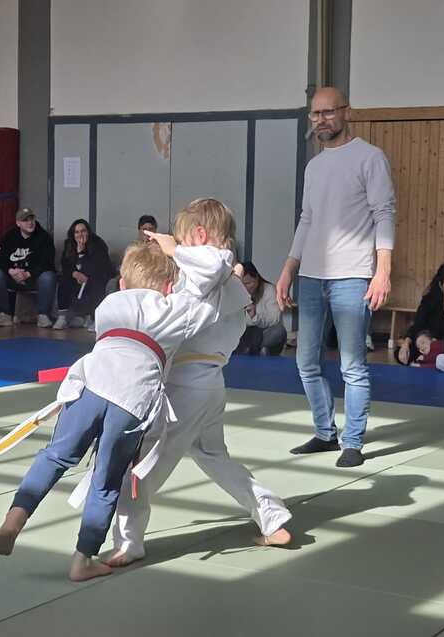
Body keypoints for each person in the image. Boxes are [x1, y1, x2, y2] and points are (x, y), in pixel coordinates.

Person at [0, 230, 248, 581]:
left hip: (89, 384)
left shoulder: (108, 305)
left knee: (55, 456)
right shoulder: (175, 310)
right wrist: (193, 256)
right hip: (132, 398)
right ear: (170, 287)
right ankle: (82, 560)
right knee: (106, 480)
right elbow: (214, 281)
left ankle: (13, 520)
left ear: (123, 283)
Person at [103, 199, 292, 569]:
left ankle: (128, 541)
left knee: (143, 467)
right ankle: (271, 516)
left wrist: (172, 248)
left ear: (200, 235)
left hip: (186, 387)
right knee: (214, 457)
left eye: (183, 238)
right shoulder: (229, 283)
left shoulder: (208, 272)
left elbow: (208, 263)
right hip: (210, 383)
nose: (177, 245)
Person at [276, 87, 396, 468]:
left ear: (347, 113)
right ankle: (325, 433)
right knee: (305, 362)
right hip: (311, 275)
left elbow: (384, 213)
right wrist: (288, 269)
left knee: (352, 365)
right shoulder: (314, 167)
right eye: (315, 114)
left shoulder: (370, 157)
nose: (321, 120)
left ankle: (353, 442)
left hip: (354, 276)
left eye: (328, 112)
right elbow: (307, 219)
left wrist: (382, 272)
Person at [0, 207, 56, 328]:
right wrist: (11, 271)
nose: (30, 223)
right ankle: (5, 315)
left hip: (34, 279)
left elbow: (47, 263)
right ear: (18, 223)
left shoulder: (44, 237)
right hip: (14, 277)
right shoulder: (9, 236)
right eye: (25, 220)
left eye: (31, 219)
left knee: (49, 276)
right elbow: (1, 261)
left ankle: (43, 315)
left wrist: (28, 274)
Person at [395, 261, 444, 365]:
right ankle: (431, 359)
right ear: (441, 285)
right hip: (430, 345)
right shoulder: (429, 300)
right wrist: (405, 344)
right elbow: (417, 325)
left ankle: (428, 360)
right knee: (402, 352)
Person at [53, 219, 113, 330]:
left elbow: (100, 266)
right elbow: (65, 264)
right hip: (77, 277)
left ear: (88, 232)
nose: (80, 234)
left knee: (97, 284)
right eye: (77, 232)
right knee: (64, 279)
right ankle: (62, 317)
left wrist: (81, 253)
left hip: (95, 276)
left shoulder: (98, 243)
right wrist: (74, 273)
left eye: (83, 231)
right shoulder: (69, 244)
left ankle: (94, 318)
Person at [235, 261, 287, 355]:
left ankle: (251, 350)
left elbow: (275, 319)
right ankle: (257, 350)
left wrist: (255, 316)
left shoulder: (269, 290)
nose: (244, 288)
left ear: (257, 278)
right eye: (241, 284)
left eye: (248, 283)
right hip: (244, 336)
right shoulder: (236, 292)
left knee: (279, 331)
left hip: (264, 333)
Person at [105, 215, 158, 296]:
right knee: (112, 284)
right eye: (144, 229)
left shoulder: (160, 247)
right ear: (139, 231)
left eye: (150, 229)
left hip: (153, 278)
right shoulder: (132, 247)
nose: (147, 232)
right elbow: (125, 267)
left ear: (155, 230)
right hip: (135, 277)